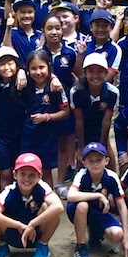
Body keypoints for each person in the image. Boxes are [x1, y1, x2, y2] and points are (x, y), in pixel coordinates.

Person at [0, 153, 64, 257]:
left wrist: (32, 224)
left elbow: (59, 206)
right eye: (22, 174)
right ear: (15, 174)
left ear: (40, 176)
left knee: (50, 209)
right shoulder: (9, 190)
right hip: (13, 234)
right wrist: (19, 226)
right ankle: (2, 246)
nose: (26, 179)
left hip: (36, 234)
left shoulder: (42, 187)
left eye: (32, 175)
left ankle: (43, 246)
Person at [66, 142, 128, 257]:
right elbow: (70, 196)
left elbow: (122, 206)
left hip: (99, 212)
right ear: (84, 163)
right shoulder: (82, 175)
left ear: (106, 161)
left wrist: (127, 237)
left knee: (117, 234)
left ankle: (95, 232)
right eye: (90, 160)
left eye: (99, 160)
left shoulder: (111, 176)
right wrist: (98, 195)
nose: (95, 163)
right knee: (82, 205)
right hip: (77, 211)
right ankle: (81, 247)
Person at [40, 13, 81, 184]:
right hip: (44, 104)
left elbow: (77, 75)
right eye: (50, 28)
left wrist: (80, 56)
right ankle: (44, 181)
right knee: (45, 143)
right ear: (43, 31)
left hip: (65, 104)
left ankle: (60, 182)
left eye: (57, 28)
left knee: (64, 143)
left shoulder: (70, 52)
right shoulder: (39, 53)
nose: (54, 32)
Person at [20, 49, 70, 186]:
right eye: (33, 68)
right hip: (28, 135)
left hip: (47, 137)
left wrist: (46, 117)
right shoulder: (26, 85)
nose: (38, 72)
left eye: (41, 67)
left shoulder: (55, 87)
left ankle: (48, 201)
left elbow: (65, 112)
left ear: (48, 66)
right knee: (27, 168)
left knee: (45, 171)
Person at [70, 53, 119, 169]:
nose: (95, 75)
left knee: (106, 151)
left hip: (101, 124)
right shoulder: (76, 91)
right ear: (85, 73)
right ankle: (80, 181)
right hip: (83, 126)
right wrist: (81, 146)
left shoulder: (113, 92)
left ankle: (113, 180)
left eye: (100, 71)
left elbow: (106, 121)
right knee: (83, 155)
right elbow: (79, 120)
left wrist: (102, 146)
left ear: (106, 73)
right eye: (91, 71)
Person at [0, 47, 27, 189]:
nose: (7, 67)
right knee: (5, 173)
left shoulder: (23, 82)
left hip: (21, 134)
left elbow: (46, 75)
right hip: (0, 136)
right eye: (2, 64)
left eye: (10, 63)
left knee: (21, 171)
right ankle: (5, 204)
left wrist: (22, 71)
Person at [85, 9, 122, 84]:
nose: (101, 29)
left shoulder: (115, 49)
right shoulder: (84, 44)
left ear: (111, 28)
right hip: (83, 87)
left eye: (105, 25)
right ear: (91, 27)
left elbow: (109, 75)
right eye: (97, 25)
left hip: (105, 90)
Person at [3, 0, 42, 65]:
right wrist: (8, 28)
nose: (27, 15)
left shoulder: (41, 35)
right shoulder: (12, 33)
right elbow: (6, 50)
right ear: (16, 14)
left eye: (30, 12)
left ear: (34, 13)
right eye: (22, 12)